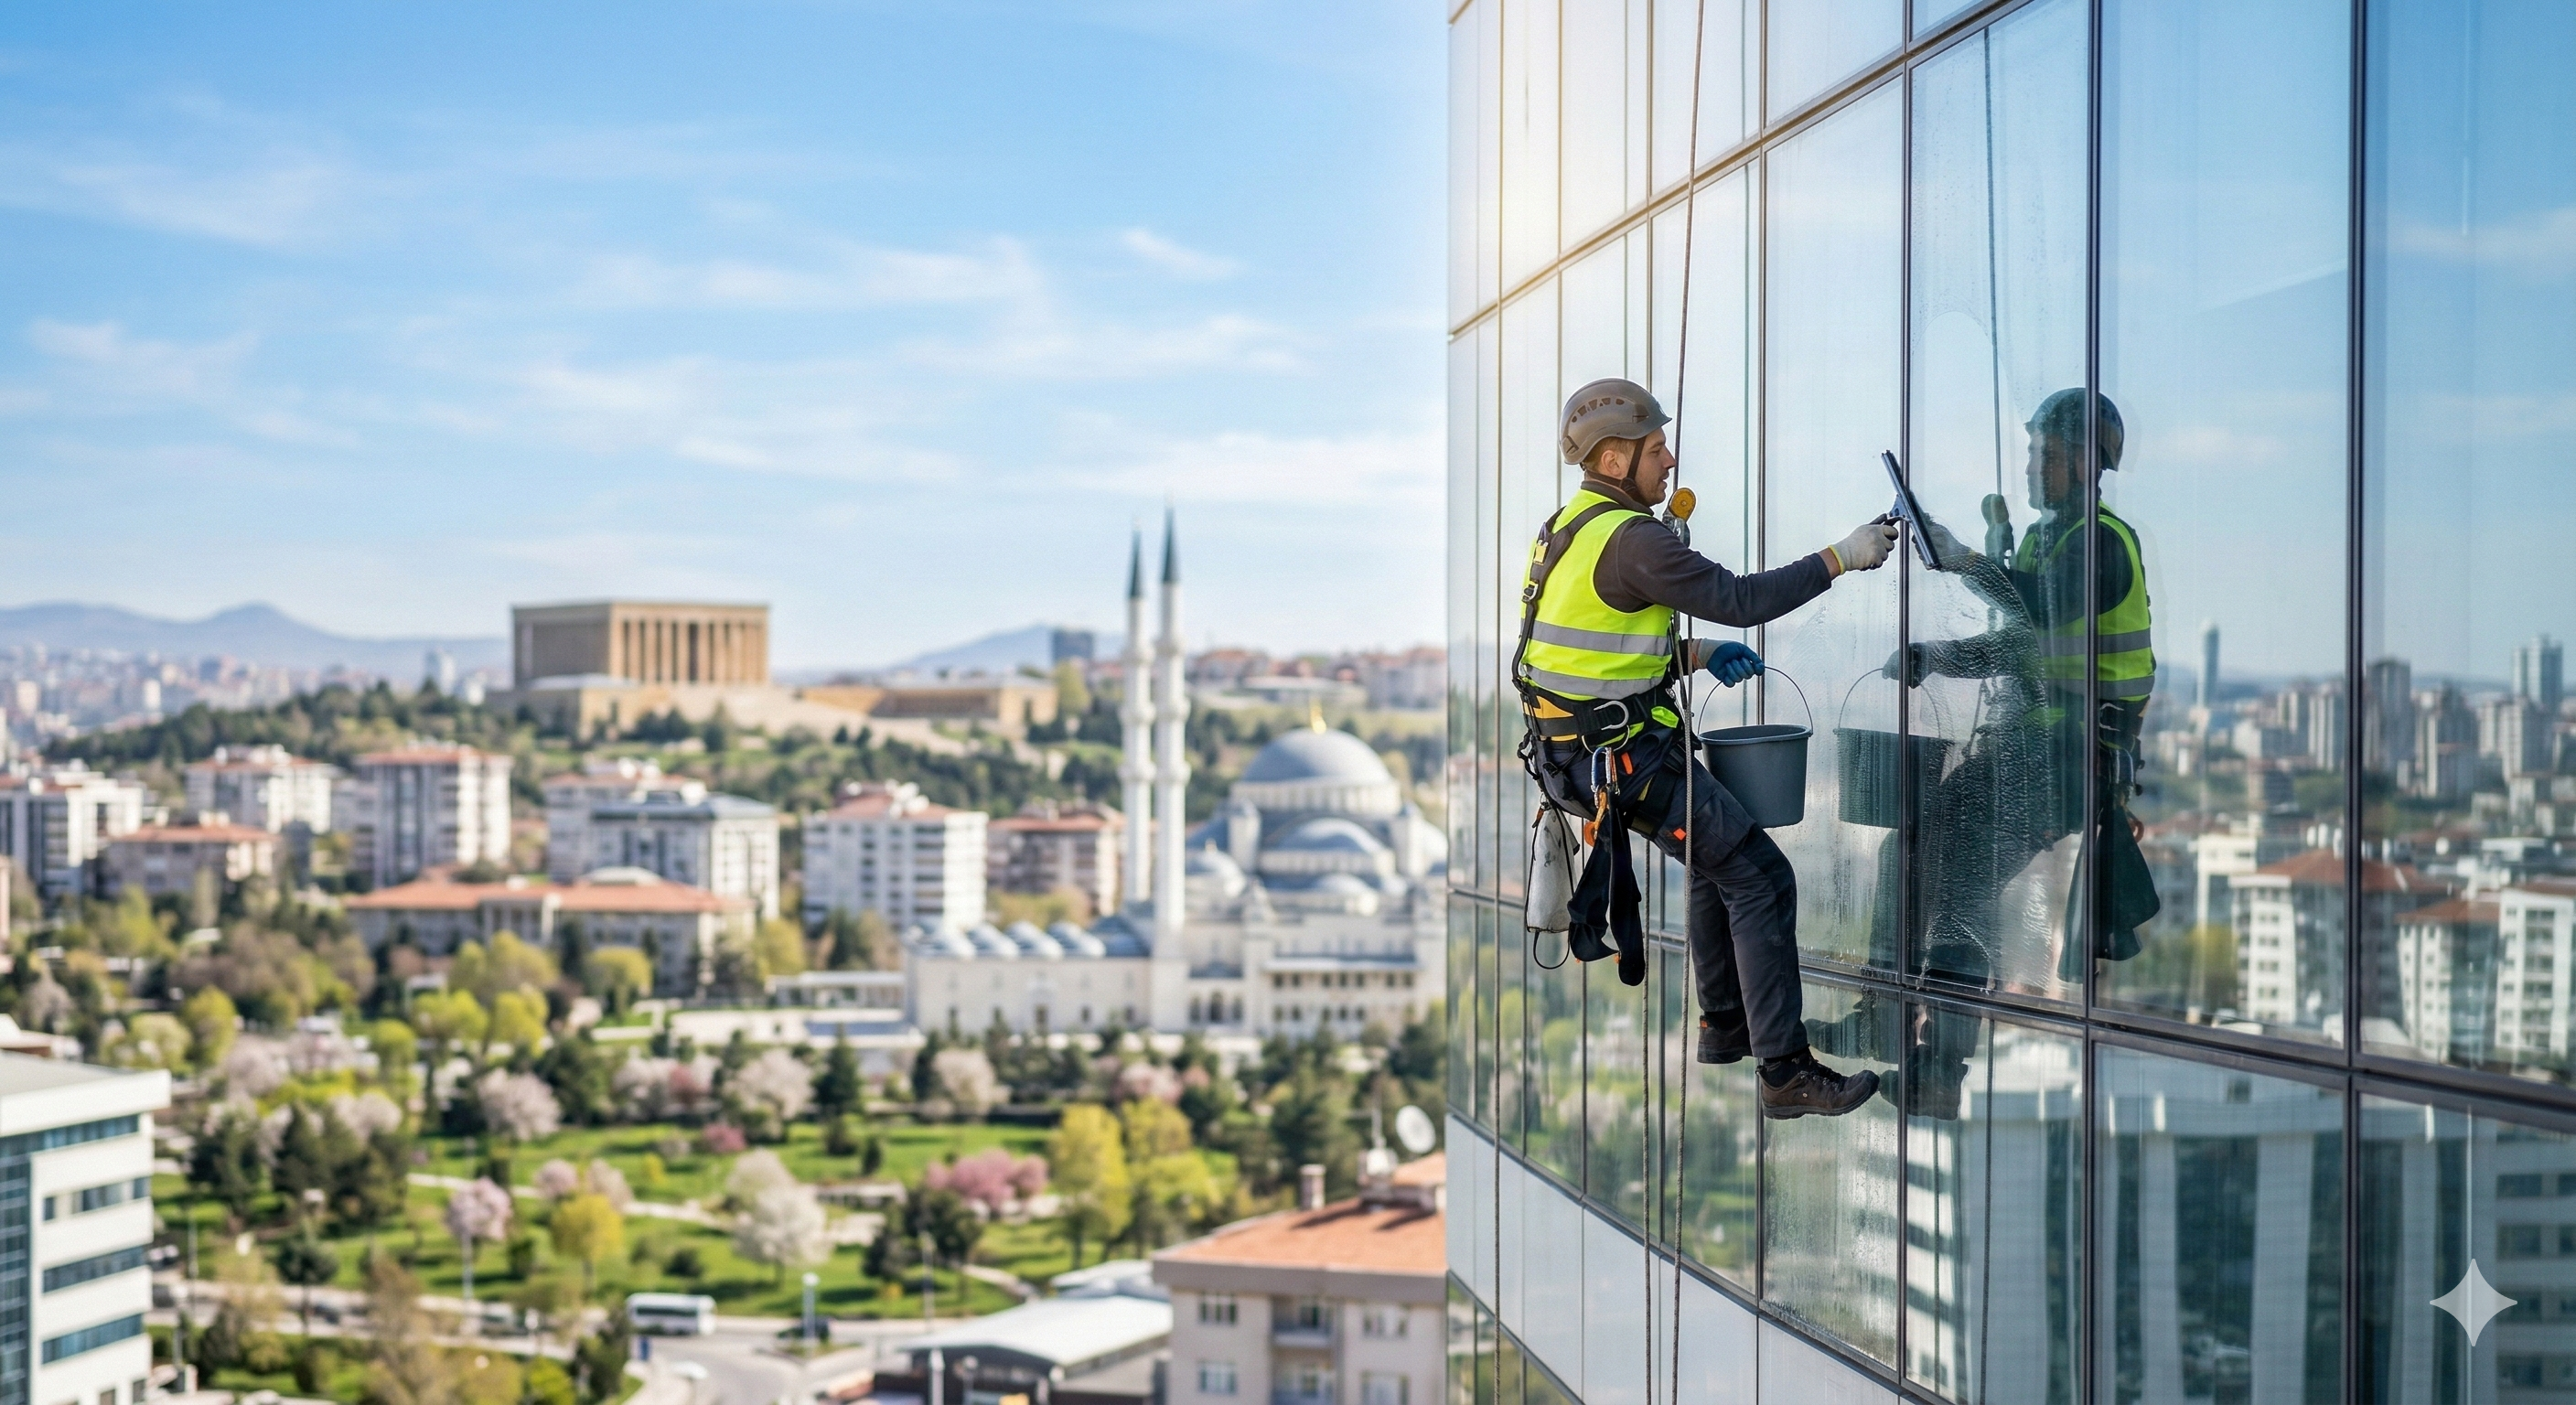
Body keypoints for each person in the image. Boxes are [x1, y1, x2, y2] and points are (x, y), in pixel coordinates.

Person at [1517, 377, 1898, 1120]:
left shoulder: (1568, 526)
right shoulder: (1634, 539)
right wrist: (1842, 556)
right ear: (1617, 457)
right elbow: (1745, 600)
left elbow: (1588, 650)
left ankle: (1725, 1025)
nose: (1670, 460)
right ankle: (1784, 1073)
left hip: (1580, 751)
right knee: (1760, 876)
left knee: (1713, 861)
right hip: (1622, 760)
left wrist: (1692, 656)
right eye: (1656, 448)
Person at [1852, 387, 2158, 1118]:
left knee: (1947, 878)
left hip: (2066, 758)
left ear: (2085, 461)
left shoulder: (2101, 543)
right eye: (2031, 452)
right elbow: (2023, 641)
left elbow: (2043, 606)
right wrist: (1940, 657)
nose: (2031, 467)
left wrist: (1961, 561)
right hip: (2040, 752)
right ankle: (1895, 1029)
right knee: (1921, 860)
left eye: (2044, 454)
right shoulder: (2050, 539)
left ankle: (1924, 1053)